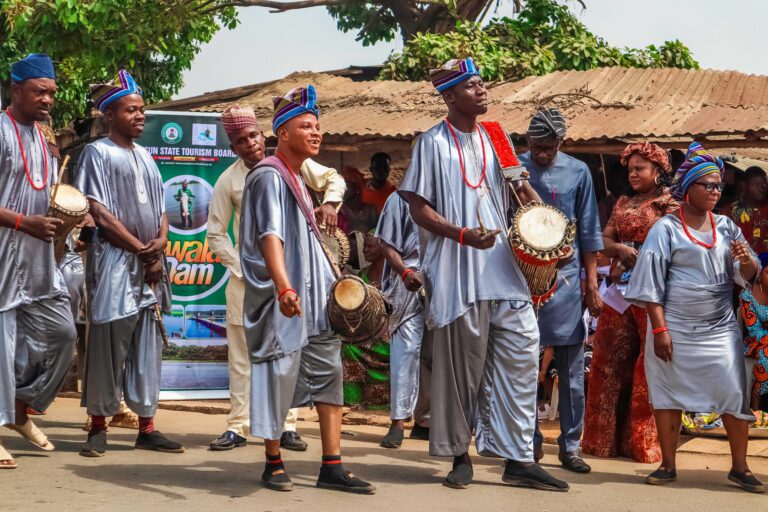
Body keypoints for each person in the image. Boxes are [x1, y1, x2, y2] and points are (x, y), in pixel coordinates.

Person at [399, 57, 567, 491]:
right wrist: (459, 234)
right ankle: (460, 456)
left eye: (482, 84)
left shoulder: (496, 137)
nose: (482, 91)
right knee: (460, 368)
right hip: (457, 269)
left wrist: (549, 230)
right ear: (449, 96)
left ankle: (516, 457)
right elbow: (417, 206)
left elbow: (520, 189)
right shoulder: (431, 143)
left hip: (502, 266)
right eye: (471, 86)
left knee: (523, 351)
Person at [240, 84, 374, 494]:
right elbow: (270, 237)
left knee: (329, 378)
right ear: (282, 133)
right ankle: (273, 461)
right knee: (277, 376)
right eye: (306, 126)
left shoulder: (297, 178)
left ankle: (332, 465)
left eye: (317, 125)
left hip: (315, 304)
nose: (316, 133)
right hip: (288, 302)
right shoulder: (268, 175)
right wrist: (283, 288)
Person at [624, 142, 764, 493]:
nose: (716, 191)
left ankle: (740, 468)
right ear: (689, 189)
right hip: (674, 328)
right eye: (709, 185)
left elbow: (749, 275)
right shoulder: (666, 230)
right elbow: (650, 285)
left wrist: (745, 257)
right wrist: (660, 329)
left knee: (733, 392)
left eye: (719, 185)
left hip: (719, 327)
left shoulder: (728, 227)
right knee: (668, 394)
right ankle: (668, 465)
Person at [207, 104, 346, 452]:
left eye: (253, 136)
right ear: (233, 147)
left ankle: (287, 426)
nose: (250, 144)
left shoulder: (293, 168)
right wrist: (246, 268)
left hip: (292, 284)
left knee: (293, 358)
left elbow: (334, 178)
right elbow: (217, 234)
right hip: (249, 283)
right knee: (245, 359)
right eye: (241, 140)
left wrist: (330, 203)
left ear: (265, 135)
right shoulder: (230, 181)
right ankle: (238, 426)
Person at [76, 70, 183, 457]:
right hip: (115, 266)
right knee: (107, 346)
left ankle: (147, 426)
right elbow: (99, 213)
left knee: (146, 347)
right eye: (131, 110)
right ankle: (99, 427)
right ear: (110, 115)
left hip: (149, 268)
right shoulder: (96, 153)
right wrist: (143, 249)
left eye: (142, 110)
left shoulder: (148, 158)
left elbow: (162, 211)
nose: (140, 116)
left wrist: (160, 244)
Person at [0, 54, 78, 470]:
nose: (48, 99)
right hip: (3, 258)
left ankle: (17, 408)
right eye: (39, 92)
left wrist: (66, 219)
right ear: (16, 90)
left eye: (51, 92)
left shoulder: (43, 139)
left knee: (63, 333)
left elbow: (45, 191)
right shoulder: (0, 131)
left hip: (38, 261)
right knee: (1, 344)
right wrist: (20, 222)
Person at [582, 142, 677, 464]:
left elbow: (678, 246)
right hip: (619, 294)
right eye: (631, 168)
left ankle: (643, 444)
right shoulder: (623, 201)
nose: (633, 173)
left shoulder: (670, 204)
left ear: (658, 171)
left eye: (641, 168)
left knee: (646, 369)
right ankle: (600, 442)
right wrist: (621, 251)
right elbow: (604, 241)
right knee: (606, 363)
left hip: (654, 294)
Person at [520, 108, 604, 473]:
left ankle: (570, 447)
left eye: (550, 148)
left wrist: (591, 284)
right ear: (527, 142)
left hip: (567, 281)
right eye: (538, 147)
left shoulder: (578, 171)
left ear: (561, 144)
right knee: (523, 367)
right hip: (519, 278)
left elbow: (588, 230)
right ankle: (527, 442)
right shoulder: (511, 169)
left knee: (570, 372)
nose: (543, 154)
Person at [376, 193, 429, 448]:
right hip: (407, 280)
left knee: (438, 355)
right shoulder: (399, 198)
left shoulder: (450, 189)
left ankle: (426, 422)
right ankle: (398, 421)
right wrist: (405, 271)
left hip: (445, 279)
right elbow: (386, 243)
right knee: (406, 350)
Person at [341, 232, 391, 410]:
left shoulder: (392, 277)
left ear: (383, 249)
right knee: (347, 345)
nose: (365, 250)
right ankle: (353, 401)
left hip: (388, 332)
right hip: (364, 332)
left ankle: (381, 404)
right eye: (364, 246)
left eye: (370, 246)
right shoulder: (361, 275)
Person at [738, 253, 768, 408]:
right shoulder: (748, 296)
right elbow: (754, 329)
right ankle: (756, 405)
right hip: (755, 343)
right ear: (760, 273)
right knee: (765, 356)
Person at [724, 166, 768, 255]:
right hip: (741, 262)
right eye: (756, 185)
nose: (761, 188)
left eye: (764, 185)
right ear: (745, 186)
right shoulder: (730, 211)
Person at [338, 166, 378, 234]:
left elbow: (377, 231)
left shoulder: (370, 209)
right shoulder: (340, 210)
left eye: (346, 186)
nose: (342, 190)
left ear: (356, 187)